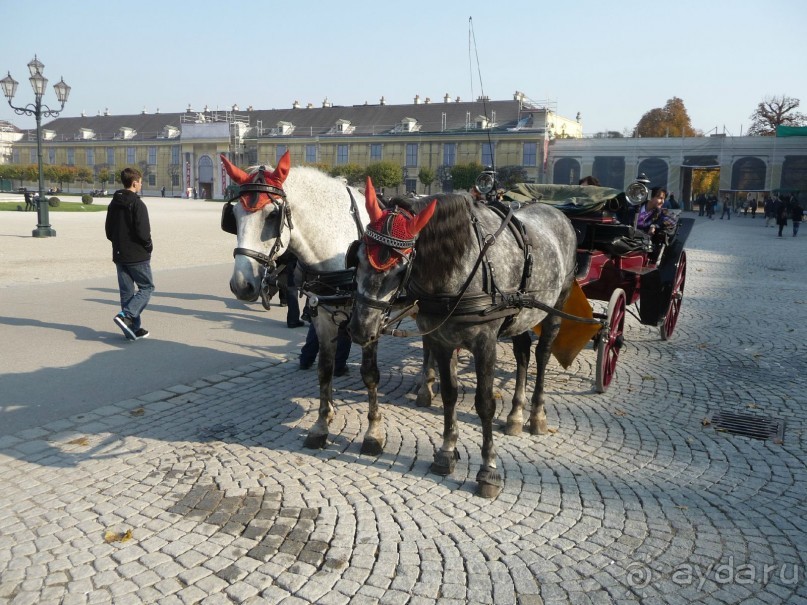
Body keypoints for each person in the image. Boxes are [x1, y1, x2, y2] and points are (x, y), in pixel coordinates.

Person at [105, 167, 154, 341]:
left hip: (119, 254)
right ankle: (126, 315)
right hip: (137, 255)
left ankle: (133, 329)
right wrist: (148, 246)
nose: (141, 185)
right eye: (140, 182)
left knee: (127, 293)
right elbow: (143, 232)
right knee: (147, 288)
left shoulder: (113, 203)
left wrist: (119, 244)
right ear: (135, 182)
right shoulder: (137, 203)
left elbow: (108, 231)